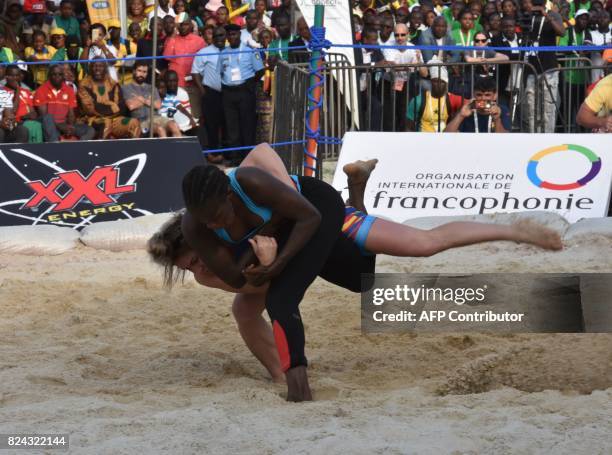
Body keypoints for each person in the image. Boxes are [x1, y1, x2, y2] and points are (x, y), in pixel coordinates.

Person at [151, 144, 563, 400]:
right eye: (190, 268)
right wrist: (262, 262)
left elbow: (294, 198)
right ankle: (281, 374)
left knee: (422, 245)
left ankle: (513, 229)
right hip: (288, 249)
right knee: (256, 306)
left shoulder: (247, 182)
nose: (198, 267)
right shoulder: (206, 254)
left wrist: (272, 246)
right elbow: (248, 282)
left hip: (317, 215)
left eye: (194, 259)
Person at [218, 23, 264, 165]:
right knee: (232, 126)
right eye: (229, 35)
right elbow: (221, 72)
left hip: (245, 90)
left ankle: (248, 158)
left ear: (239, 35)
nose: (232, 37)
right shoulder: (223, 53)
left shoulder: (250, 51)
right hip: (228, 92)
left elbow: (260, 70)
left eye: (234, 34)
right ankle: (235, 158)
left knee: (247, 125)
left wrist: (250, 84)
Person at [520, 0, 565, 133]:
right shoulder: (527, 15)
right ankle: (535, 138)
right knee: (532, 108)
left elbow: (562, 32)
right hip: (530, 69)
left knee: (548, 108)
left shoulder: (553, 15)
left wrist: (546, 15)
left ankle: (548, 139)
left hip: (549, 68)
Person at [78, 59, 141, 139]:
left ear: (105, 68)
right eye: (94, 66)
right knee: (106, 124)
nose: (97, 68)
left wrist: (106, 107)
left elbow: (121, 107)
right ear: (90, 68)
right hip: (92, 119)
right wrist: (112, 106)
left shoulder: (113, 83)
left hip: (115, 120)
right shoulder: (84, 84)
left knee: (134, 123)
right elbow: (90, 108)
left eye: (100, 66)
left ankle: (134, 151)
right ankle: (100, 151)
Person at [382, 23, 428, 131]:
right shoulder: (388, 46)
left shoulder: (414, 49)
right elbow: (391, 66)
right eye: (397, 35)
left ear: (408, 35)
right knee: (389, 115)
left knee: (405, 114)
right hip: (389, 83)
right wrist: (411, 65)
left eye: (402, 35)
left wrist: (419, 63)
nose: (400, 38)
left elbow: (424, 73)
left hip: (406, 83)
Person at [34, 63, 95, 141]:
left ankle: (78, 149)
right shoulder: (41, 90)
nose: (57, 77)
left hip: (64, 124)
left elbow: (71, 114)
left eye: (60, 74)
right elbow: (44, 116)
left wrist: (70, 127)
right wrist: (60, 127)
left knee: (90, 130)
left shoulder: (69, 90)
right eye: (54, 74)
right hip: (50, 126)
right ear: (49, 76)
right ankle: (55, 148)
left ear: (63, 76)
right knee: (48, 119)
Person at [191, 25, 225, 162]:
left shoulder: (231, 51)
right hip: (210, 93)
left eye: (222, 35)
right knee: (212, 124)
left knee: (228, 124)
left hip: (228, 94)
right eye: (216, 36)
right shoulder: (204, 52)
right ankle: (213, 154)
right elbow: (195, 72)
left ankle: (227, 153)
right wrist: (203, 91)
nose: (219, 38)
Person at [163, 13, 205, 122]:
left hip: (193, 85)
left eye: (186, 24)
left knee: (195, 116)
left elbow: (203, 63)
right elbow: (167, 56)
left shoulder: (199, 41)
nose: (183, 27)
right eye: (180, 25)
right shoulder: (172, 39)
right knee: (177, 118)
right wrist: (173, 36)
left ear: (191, 25)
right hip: (176, 86)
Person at [123, 62, 181, 137]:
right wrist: (150, 100)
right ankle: (165, 148)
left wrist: (142, 99)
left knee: (174, 126)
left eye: (144, 72)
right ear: (134, 71)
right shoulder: (126, 88)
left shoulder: (152, 87)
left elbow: (158, 105)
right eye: (139, 71)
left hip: (157, 117)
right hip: (141, 120)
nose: (141, 74)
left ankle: (178, 148)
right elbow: (131, 106)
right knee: (160, 129)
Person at [558, 9, 591, 132]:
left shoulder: (587, 33)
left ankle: (583, 133)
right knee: (566, 107)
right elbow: (561, 48)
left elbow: (588, 46)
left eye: (586, 19)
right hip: (568, 77)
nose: (584, 21)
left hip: (583, 78)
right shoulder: (568, 32)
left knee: (582, 108)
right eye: (582, 18)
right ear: (576, 19)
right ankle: (562, 132)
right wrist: (577, 51)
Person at [406, 63, 464, 132]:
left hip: (444, 139)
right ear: (431, 82)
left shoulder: (451, 99)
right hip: (423, 140)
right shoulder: (418, 100)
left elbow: (470, 104)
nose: (438, 84)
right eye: (436, 81)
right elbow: (408, 127)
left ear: (446, 84)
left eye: (442, 82)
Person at [445, 76, 511, 132]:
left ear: (495, 96)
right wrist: (460, 116)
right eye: (479, 95)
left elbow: (506, 140)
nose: (483, 98)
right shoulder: (466, 109)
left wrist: (497, 120)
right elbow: (445, 136)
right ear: (474, 94)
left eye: (487, 95)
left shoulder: (502, 110)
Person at [3, 65, 42, 143]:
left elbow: (32, 110)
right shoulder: (3, 92)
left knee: (46, 119)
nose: (15, 78)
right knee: (34, 126)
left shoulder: (26, 91)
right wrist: (17, 90)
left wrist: (33, 114)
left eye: (17, 75)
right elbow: (12, 113)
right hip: (17, 122)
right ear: (6, 77)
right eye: (12, 76)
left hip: (30, 120)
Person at [158, 69, 198, 134]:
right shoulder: (161, 93)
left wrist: (191, 119)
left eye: (175, 81)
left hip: (183, 125)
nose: (172, 84)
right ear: (165, 82)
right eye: (169, 81)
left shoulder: (182, 93)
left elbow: (186, 110)